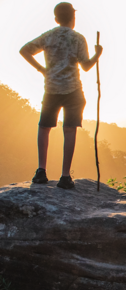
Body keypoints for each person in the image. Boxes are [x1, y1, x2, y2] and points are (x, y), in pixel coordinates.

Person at [20, 2, 103, 189]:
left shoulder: (48, 36)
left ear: (56, 19)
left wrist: (42, 69)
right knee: (70, 130)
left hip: (51, 88)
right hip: (73, 90)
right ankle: (65, 176)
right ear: (73, 18)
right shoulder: (78, 39)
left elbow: (24, 50)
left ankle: (41, 171)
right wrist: (97, 54)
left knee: (44, 128)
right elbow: (87, 66)